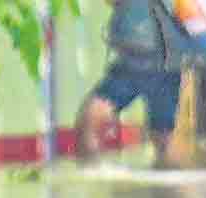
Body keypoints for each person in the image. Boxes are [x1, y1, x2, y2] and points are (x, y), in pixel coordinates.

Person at [76, 0, 194, 168]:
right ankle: (91, 178)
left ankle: (173, 188)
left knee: (163, 140)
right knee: (90, 119)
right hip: (132, 63)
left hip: (162, 65)